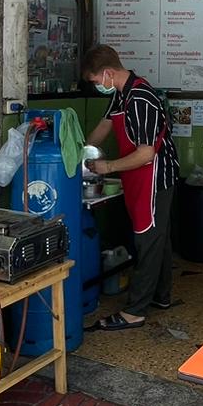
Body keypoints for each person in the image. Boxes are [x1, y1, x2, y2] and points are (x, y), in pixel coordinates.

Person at [82, 45, 181, 331]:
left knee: (147, 240)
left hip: (154, 177)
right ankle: (161, 296)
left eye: (97, 81)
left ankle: (135, 310)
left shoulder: (141, 98)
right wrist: (84, 152)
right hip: (137, 177)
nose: (98, 86)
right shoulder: (120, 95)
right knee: (157, 238)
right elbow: (104, 126)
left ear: (109, 73)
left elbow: (146, 153)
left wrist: (108, 167)